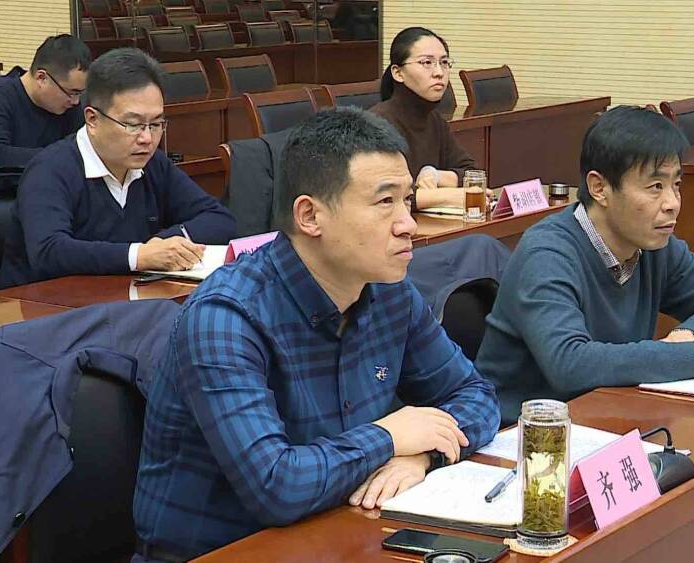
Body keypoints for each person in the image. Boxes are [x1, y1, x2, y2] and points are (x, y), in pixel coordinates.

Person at [132, 107, 500, 561]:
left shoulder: (390, 293)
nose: (407, 223)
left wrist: (423, 455)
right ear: (309, 216)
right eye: (385, 202)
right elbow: (276, 485)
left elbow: (478, 397)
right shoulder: (226, 317)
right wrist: (389, 437)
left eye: (407, 200)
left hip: (340, 533)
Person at [475, 106, 694, 424]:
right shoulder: (547, 253)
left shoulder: (655, 245)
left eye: (676, 184)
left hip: (612, 414)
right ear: (599, 188)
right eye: (655, 187)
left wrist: (688, 336)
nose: (672, 203)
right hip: (522, 432)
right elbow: (569, 364)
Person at [0, 48, 237, 288]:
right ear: (92, 120)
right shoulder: (49, 170)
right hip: (42, 303)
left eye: (156, 124)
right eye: (132, 125)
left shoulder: (153, 164)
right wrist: (138, 255)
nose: (147, 138)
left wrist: (161, 244)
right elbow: (49, 252)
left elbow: (219, 219)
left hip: (124, 298)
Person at [0, 35, 91, 173]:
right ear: (42, 78)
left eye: (80, 93)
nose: (75, 101)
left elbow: (82, 151)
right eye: (71, 92)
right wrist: (62, 157)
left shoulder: (69, 105)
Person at [371, 27, 477, 210]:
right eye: (427, 62)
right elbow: (384, 195)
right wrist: (447, 196)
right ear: (398, 73)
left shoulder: (434, 120)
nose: (439, 72)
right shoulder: (377, 124)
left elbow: (473, 175)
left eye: (444, 62)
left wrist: (435, 175)